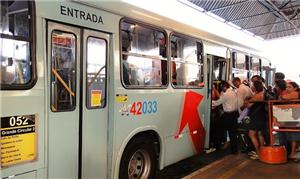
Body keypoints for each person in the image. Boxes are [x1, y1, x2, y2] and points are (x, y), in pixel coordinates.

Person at [212, 81, 239, 154]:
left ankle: (217, 146)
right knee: (232, 133)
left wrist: (209, 101)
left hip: (228, 115)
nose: (221, 89)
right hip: (235, 114)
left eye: (221, 87)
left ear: (224, 87)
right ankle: (234, 151)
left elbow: (217, 103)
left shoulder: (226, 94)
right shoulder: (234, 92)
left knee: (218, 129)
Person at [244, 80, 266, 160]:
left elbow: (248, 106)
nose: (251, 87)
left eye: (252, 85)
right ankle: (262, 152)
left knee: (251, 134)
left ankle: (258, 152)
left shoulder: (256, 96)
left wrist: (246, 100)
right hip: (262, 116)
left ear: (255, 87)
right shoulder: (263, 94)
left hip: (255, 117)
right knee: (260, 134)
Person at [280, 81, 300, 161]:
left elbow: (284, 97)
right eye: (286, 87)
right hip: (291, 117)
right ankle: (293, 152)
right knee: (291, 134)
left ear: (295, 88)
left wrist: (284, 94)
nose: (287, 89)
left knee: (294, 135)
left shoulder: (296, 93)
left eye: (289, 87)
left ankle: (293, 153)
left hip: (295, 116)